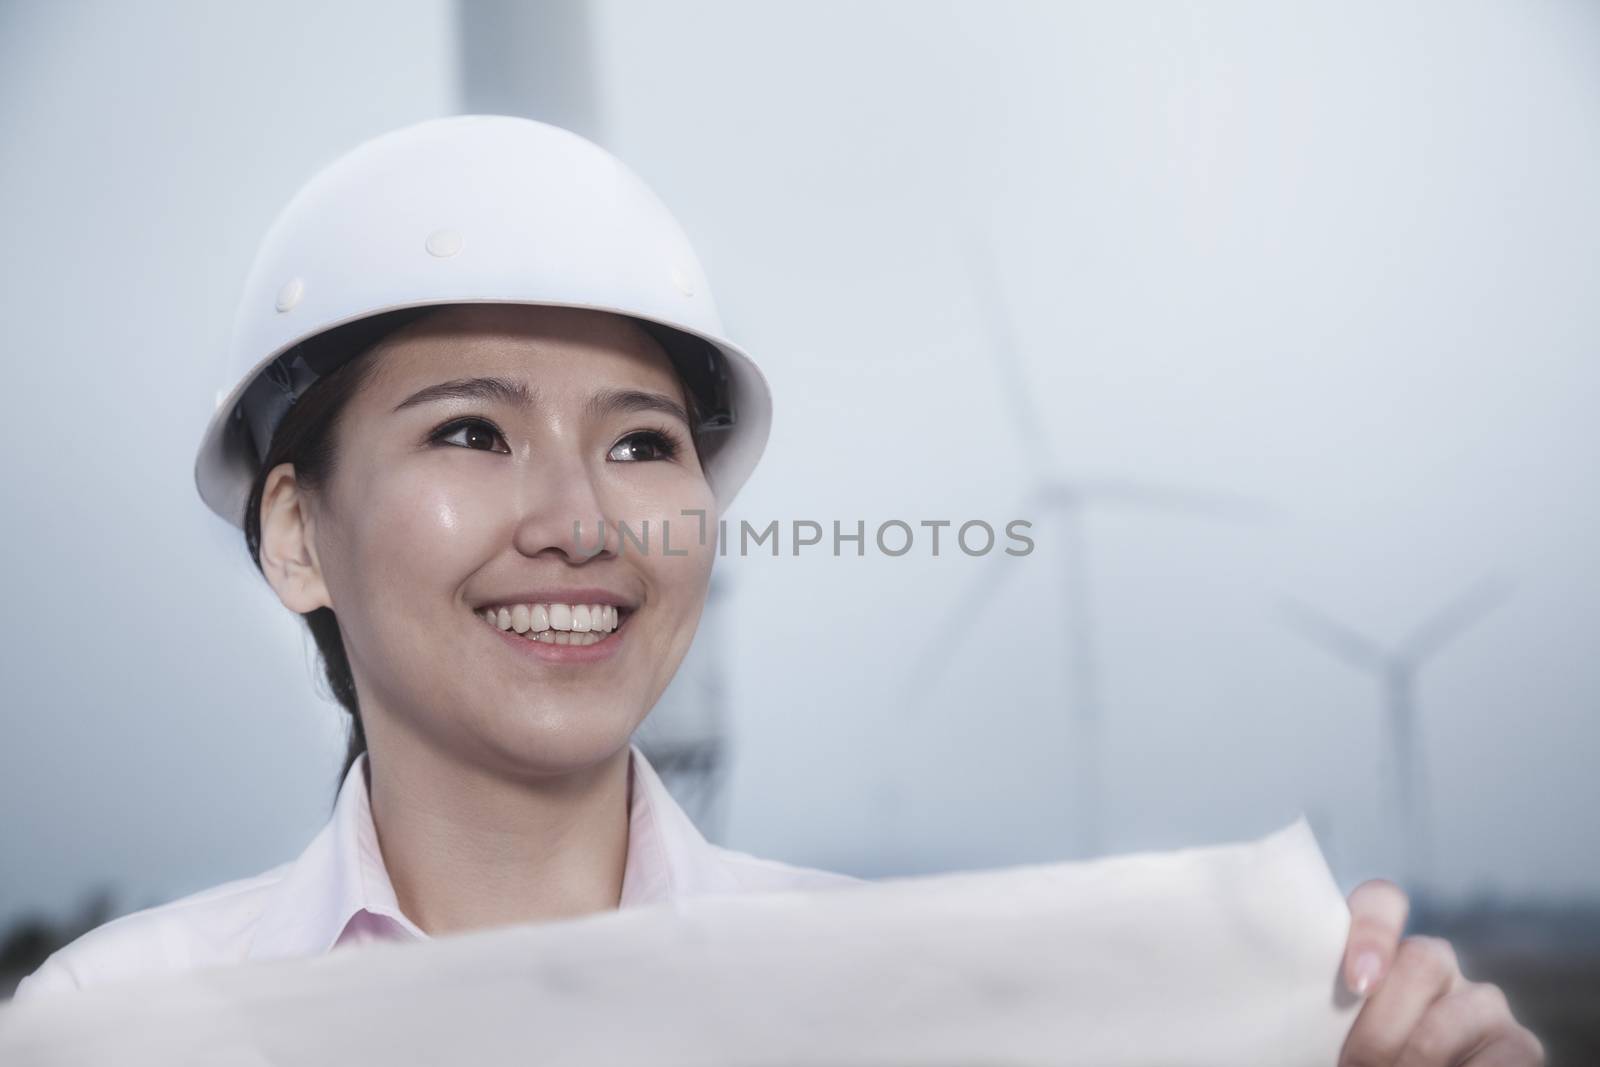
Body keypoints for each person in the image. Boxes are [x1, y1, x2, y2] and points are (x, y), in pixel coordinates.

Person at [11, 116, 1542, 1065]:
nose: (579, 519)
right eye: (471, 430)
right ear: (294, 535)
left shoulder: (938, 1016)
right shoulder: (115, 1032)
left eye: (643, 443)